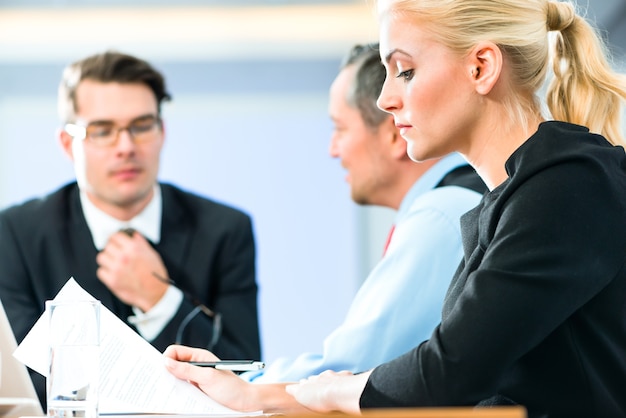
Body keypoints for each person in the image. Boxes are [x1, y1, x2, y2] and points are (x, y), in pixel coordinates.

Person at [281, 0, 626, 417]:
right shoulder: (512, 200)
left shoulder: (569, 187)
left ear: (481, 67)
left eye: (405, 71)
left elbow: (449, 373)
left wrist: (336, 391)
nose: (386, 99)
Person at [162, 43, 485, 413]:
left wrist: (241, 387)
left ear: (395, 133)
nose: (333, 149)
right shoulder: (454, 207)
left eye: (339, 128)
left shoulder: (441, 217)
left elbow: (349, 369)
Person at [0, 51, 261, 407]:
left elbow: (245, 376)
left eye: (141, 126)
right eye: (102, 131)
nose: (126, 147)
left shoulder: (225, 230)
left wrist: (161, 302)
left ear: (162, 131)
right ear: (67, 144)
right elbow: (26, 387)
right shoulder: (15, 233)